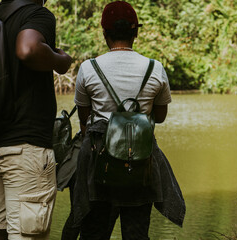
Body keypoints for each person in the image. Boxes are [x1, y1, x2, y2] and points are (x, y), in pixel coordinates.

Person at [73, 1, 185, 239]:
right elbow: (161, 117)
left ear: (105, 33)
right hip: (139, 166)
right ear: (136, 32)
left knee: (93, 234)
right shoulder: (155, 68)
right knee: (136, 235)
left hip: (99, 167)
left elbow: (85, 120)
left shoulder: (88, 68)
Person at [0, 0, 72, 239]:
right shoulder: (37, 14)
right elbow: (28, 49)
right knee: (27, 235)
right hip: (25, 149)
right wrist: (60, 61)